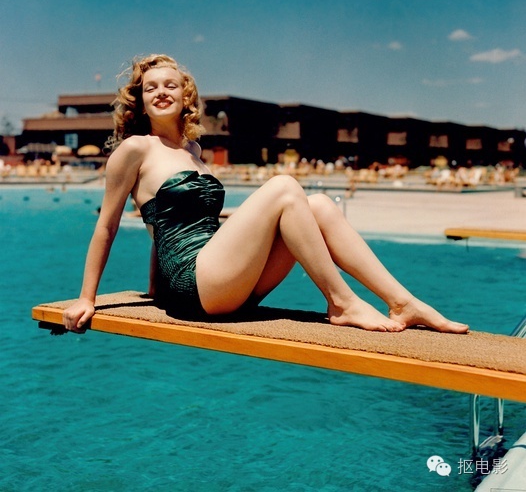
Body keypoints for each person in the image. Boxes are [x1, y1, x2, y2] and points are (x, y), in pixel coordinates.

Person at [63, 54, 468, 335]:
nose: (161, 92)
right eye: (151, 88)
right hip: (196, 287)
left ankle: (403, 302)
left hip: (226, 284)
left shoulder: (194, 151)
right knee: (284, 187)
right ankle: (342, 303)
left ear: (186, 96)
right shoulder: (135, 149)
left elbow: (167, 223)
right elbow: (107, 226)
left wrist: (154, 289)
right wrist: (87, 298)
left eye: (170, 84)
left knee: (319, 205)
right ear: (140, 101)